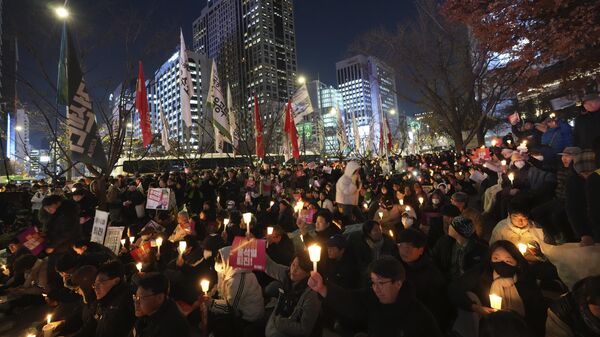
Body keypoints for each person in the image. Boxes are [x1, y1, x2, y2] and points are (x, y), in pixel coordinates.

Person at [307, 255, 443, 337]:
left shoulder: (419, 315)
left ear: (398, 283)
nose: (376, 289)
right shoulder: (371, 297)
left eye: (381, 283)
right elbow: (350, 301)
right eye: (373, 283)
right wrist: (323, 288)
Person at [448, 240, 547, 337]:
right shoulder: (482, 272)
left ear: (517, 262)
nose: (501, 263)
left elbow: (538, 313)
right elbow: (454, 289)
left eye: (508, 261)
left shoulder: (525, 281)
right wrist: (476, 307)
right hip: (489, 330)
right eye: (496, 258)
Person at [397, 228, 450, 330]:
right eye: (400, 245)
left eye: (408, 247)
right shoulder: (394, 265)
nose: (403, 251)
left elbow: (438, 307)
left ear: (421, 250)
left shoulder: (432, 273)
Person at [205, 246, 264, 336]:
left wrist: (212, 303)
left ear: (228, 261)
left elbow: (231, 307)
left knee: (218, 320)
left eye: (220, 262)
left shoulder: (240, 279)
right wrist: (211, 292)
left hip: (248, 316)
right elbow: (220, 286)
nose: (217, 265)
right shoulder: (227, 270)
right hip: (236, 307)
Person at [263, 252, 321, 337]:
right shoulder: (288, 274)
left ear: (308, 273)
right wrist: (255, 245)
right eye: (293, 264)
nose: (294, 270)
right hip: (279, 319)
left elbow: (304, 329)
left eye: (300, 268)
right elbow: (270, 266)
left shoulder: (312, 294)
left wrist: (279, 322)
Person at [78, 260, 135, 337]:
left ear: (116, 281)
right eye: (95, 284)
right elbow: (90, 326)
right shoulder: (102, 303)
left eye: (100, 283)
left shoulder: (126, 301)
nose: (96, 288)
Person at [133, 272, 191, 337]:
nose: (136, 302)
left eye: (140, 298)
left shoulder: (170, 327)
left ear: (159, 298)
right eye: (135, 297)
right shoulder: (147, 314)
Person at [431, 216, 488, 282]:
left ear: (457, 232)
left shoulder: (481, 248)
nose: (449, 226)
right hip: (446, 282)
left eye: (451, 225)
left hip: (469, 285)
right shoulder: (443, 242)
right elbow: (434, 260)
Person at [347, 220, 399, 285]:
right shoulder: (361, 244)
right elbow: (360, 262)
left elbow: (392, 259)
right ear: (368, 233)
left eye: (380, 229)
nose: (379, 232)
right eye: (376, 230)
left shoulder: (388, 242)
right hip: (368, 274)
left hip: (385, 272)